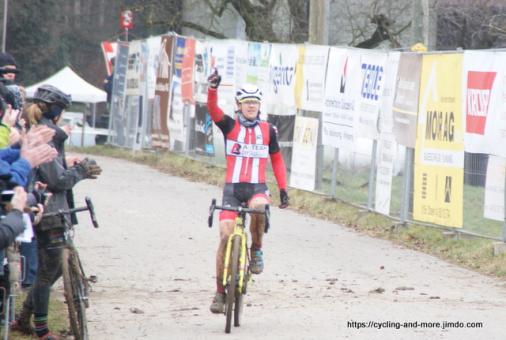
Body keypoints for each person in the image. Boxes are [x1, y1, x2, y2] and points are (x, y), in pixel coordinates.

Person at [12, 85, 102, 340]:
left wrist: (69, 164)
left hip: (44, 209)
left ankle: (23, 318)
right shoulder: (48, 134)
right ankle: (41, 329)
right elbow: (57, 180)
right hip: (48, 211)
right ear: (55, 112)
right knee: (46, 273)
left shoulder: (40, 130)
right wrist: (82, 170)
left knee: (52, 269)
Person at [206, 70, 289, 313]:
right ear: (239, 106)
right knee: (224, 235)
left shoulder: (268, 130)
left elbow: (277, 160)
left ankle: (256, 249)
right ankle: (220, 293)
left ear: (259, 105)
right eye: (246, 102)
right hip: (232, 190)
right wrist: (212, 89)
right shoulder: (230, 126)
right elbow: (212, 110)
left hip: (256, 188)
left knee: (259, 208)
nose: (251, 106)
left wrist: (283, 189)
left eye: (254, 102)